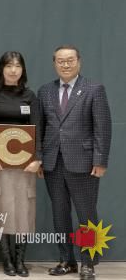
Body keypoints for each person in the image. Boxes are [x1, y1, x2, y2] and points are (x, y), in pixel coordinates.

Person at [38, 45, 111, 280]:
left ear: (79, 61)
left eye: (70, 60)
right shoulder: (45, 91)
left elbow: (103, 128)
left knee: (86, 215)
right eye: (61, 61)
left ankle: (88, 263)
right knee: (60, 214)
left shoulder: (93, 89)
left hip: (84, 163)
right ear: (54, 64)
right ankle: (66, 260)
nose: (66, 64)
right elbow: (40, 128)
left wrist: (100, 160)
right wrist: (39, 158)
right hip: (53, 163)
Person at [0, 51, 41, 277]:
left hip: (25, 164)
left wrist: (37, 158)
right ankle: (7, 260)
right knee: (1, 208)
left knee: (24, 209)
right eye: (8, 65)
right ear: (1, 69)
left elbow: (38, 128)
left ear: (23, 69)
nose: (13, 70)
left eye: (17, 65)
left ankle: (20, 260)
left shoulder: (30, 96)